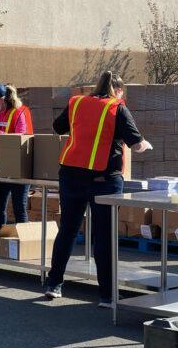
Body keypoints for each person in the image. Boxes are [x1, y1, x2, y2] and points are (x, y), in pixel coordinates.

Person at [45, 72, 152, 308]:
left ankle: (54, 284)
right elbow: (136, 143)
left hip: (70, 174)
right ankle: (106, 296)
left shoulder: (77, 102)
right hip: (103, 179)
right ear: (119, 91)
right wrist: (146, 144)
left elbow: (57, 127)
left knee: (68, 230)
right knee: (104, 236)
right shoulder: (117, 107)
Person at [0, 83, 33, 236]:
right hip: (1, 166)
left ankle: (24, 243)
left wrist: (0, 133)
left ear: (1, 99)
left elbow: (22, 136)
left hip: (20, 168)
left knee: (19, 207)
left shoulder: (20, 112)